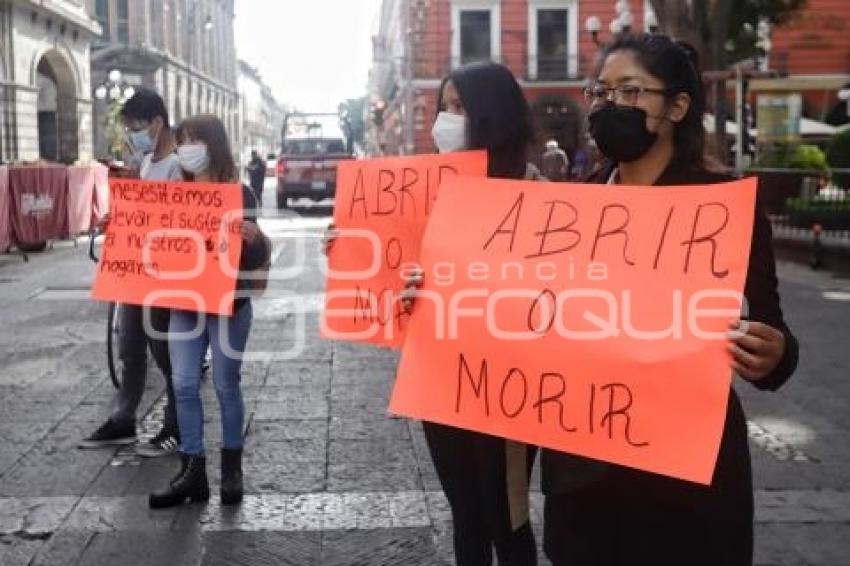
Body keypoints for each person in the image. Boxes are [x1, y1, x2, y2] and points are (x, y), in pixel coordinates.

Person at [539, 33, 799, 565]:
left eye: (631, 93)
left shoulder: (726, 210)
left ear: (677, 106)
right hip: (582, 477)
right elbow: (518, 319)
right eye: (601, 93)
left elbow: (773, 336)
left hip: (688, 480)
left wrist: (776, 354)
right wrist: (438, 298)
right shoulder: (565, 211)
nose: (611, 106)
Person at [412, 62, 541, 566]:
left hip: (507, 382)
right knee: (465, 514)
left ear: (491, 115)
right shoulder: (422, 191)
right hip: (440, 376)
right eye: (444, 107)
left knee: (506, 518)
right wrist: (354, 251)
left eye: (459, 108)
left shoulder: (536, 192)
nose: (447, 118)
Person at [149, 115, 270, 509]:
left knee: (224, 383)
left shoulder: (240, 194)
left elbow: (254, 257)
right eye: (182, 139)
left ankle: (231, 467)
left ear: (214, 145)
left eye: (195, 139)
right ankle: (192, 470)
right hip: (185, 304)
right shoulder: (175, 194)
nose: (187, 147)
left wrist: (255, 240)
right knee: (183, 384)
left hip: (229, 305)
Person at [80, 88, 183, 458]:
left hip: (164, 273)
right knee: (130, 345)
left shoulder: (178, 165)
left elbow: (177, 217)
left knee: (166, 351)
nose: (134, 135)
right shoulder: (145, 160)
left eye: (138, 127)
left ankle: (176, 423)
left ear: (157, 122)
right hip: (136, 269)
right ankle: (123, 418)